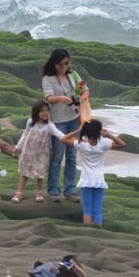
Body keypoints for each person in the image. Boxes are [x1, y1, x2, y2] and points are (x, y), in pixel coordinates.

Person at [41, 48, 87, 203]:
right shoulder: (48, 78)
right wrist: (61, 98)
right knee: (58, 156)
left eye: (66, 63)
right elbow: (48, 97)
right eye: (60, 64)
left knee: (72, 156)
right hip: (58, 120)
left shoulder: (73, 75)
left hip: (74, 118)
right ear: (54, 64)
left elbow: (85, 90)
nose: (64, 67)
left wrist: (80, 98)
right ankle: (54, 190)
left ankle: (70, 190)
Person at [60, 119, 125, 226]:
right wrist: (109, 135)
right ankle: (98, 228)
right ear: (99, 132)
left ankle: (88, 230)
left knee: (87, 211)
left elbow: (63, 139)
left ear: (86, 132)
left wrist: (78, 130)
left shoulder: (81, 145)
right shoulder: (103, 145)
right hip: (99, 181)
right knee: (97, 210)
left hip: (86, 181)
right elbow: (122, 144)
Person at [12, 100, 65, 204]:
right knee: (24, 173)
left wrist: (70, 139)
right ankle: (19, 193)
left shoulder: (49, 125)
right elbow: (25, 134)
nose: (45, 113)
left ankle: (39, 192)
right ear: (36, 112)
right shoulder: (31, 122)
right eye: (42, 111)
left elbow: (59, 134)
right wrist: (18, 147)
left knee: (40, 174)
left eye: (47, 110)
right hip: (28, 152)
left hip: (42, 154)